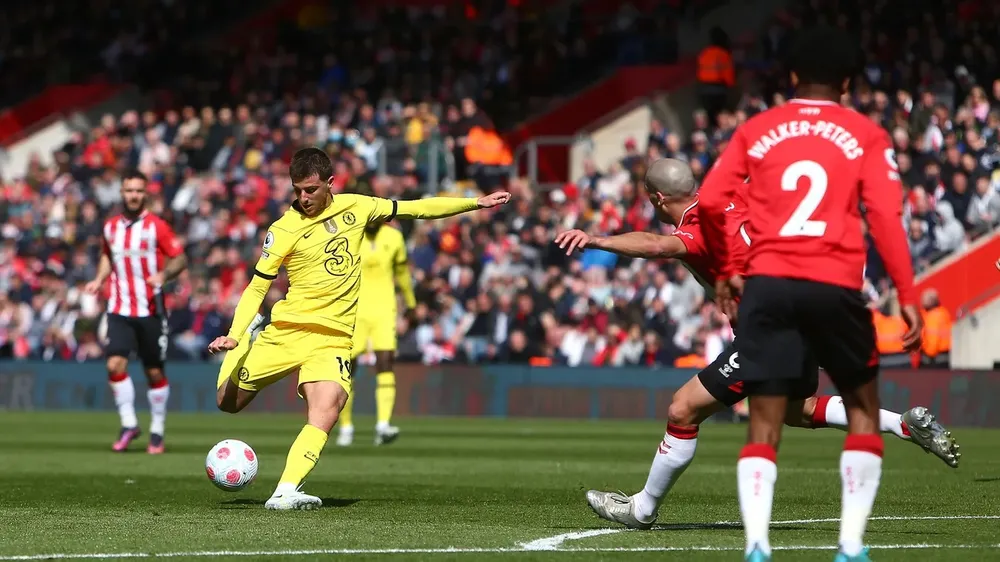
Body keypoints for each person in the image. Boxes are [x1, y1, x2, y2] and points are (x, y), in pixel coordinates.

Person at [555, 159, 959, 533]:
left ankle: (642, 509)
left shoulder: (697, 227)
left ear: (659, 199)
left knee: (683, 409)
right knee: (798, 410)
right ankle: (904, 424)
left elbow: (658, 245)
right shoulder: (736, 193)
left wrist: (596, 240)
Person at [697, 27, 924, 562]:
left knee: (764, 417)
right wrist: (908, 294)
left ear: (793, 76)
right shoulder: (866, 133)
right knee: (863, 409)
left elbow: (707, 202)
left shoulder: (757, 129)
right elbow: (885, 217)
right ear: (847, 83)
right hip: (834, 284)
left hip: (769, 286)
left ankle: (757, 546)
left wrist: (726, 268)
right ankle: (850, 546)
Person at [207, 148, 510, 510]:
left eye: (311, 190)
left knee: (328, 407)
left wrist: (475, 203)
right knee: (228, 403)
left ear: (330, 183)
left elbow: (416, 208)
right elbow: (257, 287)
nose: (303, 198)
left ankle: (285, 490)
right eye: (298, 190)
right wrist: (235, 335)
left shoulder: (357, 207)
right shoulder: (283, 229)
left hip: (333, 338)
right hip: (288, 330)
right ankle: (250, 338)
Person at [85, 171, 187, 455]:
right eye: (129, 190)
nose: (133, 195)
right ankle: (129, 424)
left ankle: (157, 431)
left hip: (150, 309)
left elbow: (180, 258)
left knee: (153, 371)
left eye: (139, 191)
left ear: (145, 194)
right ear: (122, 193)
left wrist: (164, 275)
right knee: (114, 365)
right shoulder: (110, 227)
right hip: (119, 308)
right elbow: (107, 255)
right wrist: (99, 279)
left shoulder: (157, 226)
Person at [336, 184, 417, 447]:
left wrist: (411, 303)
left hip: (384, 309)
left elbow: (402, 272)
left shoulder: (394, 238)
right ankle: (346, 427)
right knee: (347, 369)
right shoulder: (349, 235)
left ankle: (383, 425)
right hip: (353, 311)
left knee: (385, 362)